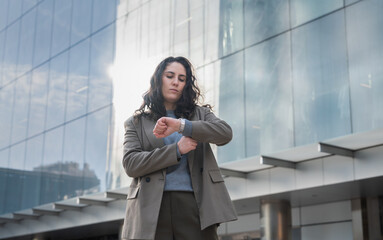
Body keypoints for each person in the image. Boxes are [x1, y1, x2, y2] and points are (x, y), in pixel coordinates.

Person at [121, 56, 237, 240]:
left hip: (195, 204)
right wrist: (176, 150)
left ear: (186, 85)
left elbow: (224, 133)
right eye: (170, 76)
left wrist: (182, 126)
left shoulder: (201, 114)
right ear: (159, 79)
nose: (175, 82)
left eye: (182, 79)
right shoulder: (136, 122)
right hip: (151, 208)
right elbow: (131, 164)